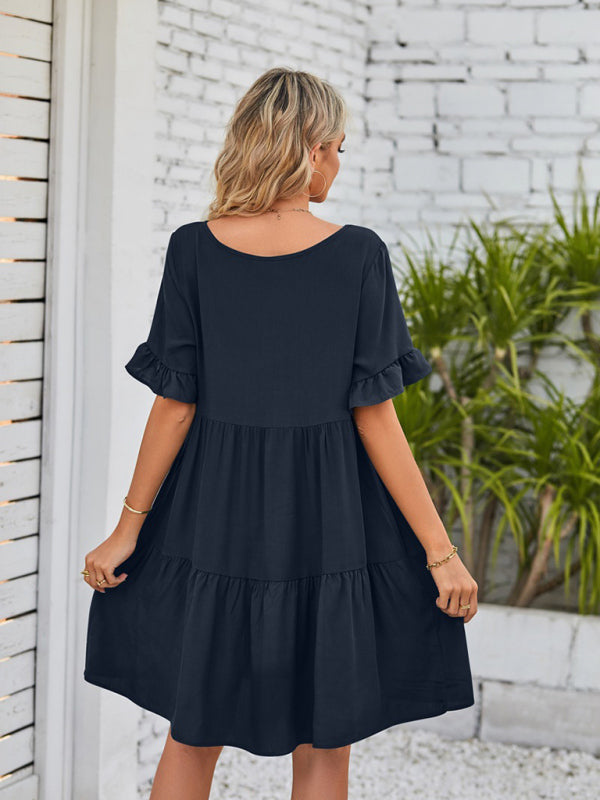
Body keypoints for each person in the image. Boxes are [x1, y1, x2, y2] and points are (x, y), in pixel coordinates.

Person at [82, 67, 478, 800]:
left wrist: (127, 530)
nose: (339, 164)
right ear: (314, 149)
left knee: (193, 732)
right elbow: (375, 416)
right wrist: (440, 552)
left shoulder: (193, 249)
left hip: (214, 521)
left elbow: (174, 406)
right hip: (330, 522)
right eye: (340, 148)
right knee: (325, 740)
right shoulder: (359, 254)